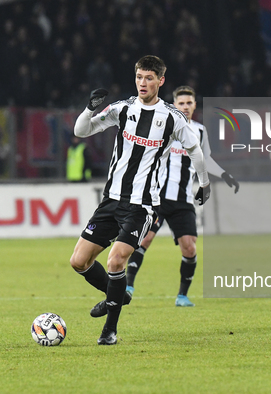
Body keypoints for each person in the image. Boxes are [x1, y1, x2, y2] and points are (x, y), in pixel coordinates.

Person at [69, 55, 211, 346]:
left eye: (149, 78)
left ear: (161, 81)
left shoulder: (172, 117)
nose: (143, 83)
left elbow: (195, 150)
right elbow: (81, 131)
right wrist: (88, 109)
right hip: (111, 200)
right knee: (79, 261)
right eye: (139, 77)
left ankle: (110, 330)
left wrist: (204, 183)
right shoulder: (122, 109)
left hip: (143, 204)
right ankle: (119, 296)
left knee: (116, 259)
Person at [121, 85, 240, 307]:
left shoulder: (200, 131)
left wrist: (224, 174)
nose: (185, 107)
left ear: (195, 105)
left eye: (189, 103)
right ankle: (128, 286)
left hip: (183, 200)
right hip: (156, 197)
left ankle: (182, 296)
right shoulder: (162, 124)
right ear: (174, 105)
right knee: (144, 239)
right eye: (181, 103)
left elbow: (205, 161)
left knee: (189, 247)